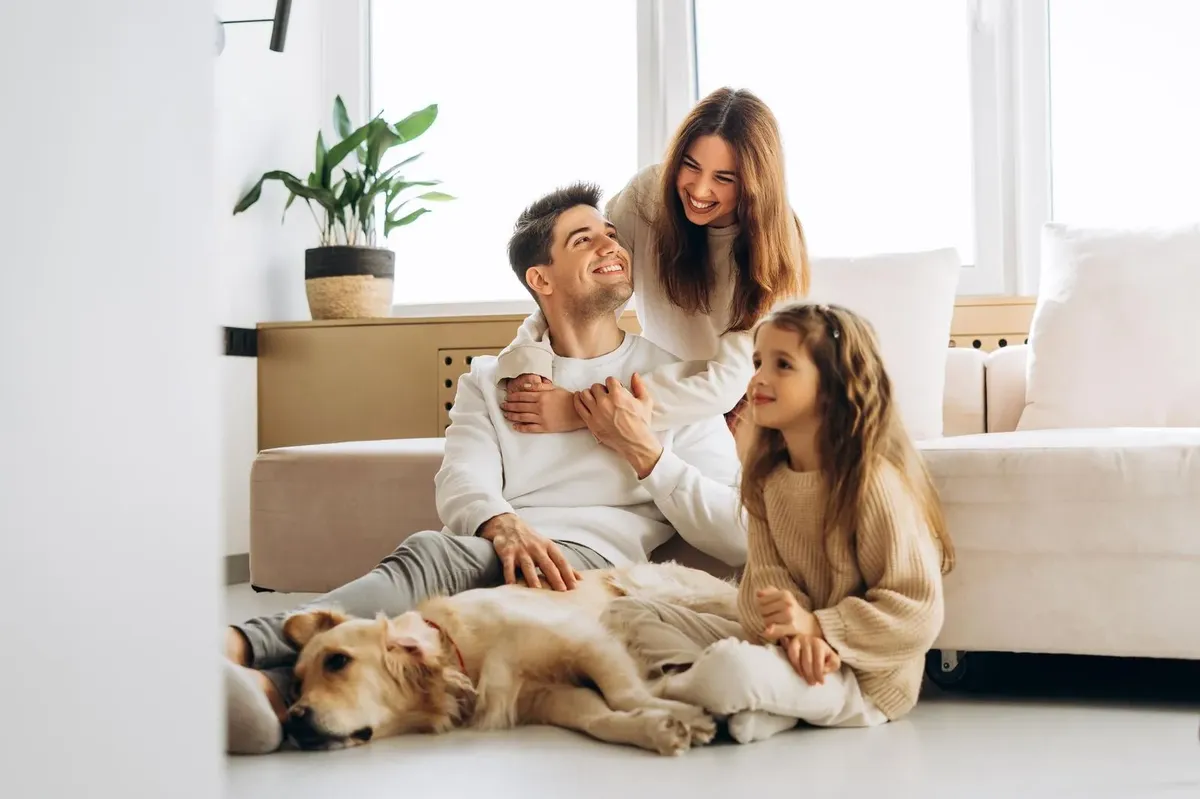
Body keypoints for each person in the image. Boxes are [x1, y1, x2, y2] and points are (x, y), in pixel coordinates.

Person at [222, 182, 747, 755]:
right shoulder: (492, 380)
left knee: (437, 567)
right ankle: (266, 690)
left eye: (612, 236)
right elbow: (461, 478)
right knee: (426, 616)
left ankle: (243, 653)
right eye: (584, 239)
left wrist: (647, 452)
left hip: (591, 566)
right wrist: (502, 524)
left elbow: (734, 532)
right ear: (540, 280)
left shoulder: (676, 382)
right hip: (492, 545)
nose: (612, 246)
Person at [600, 302, 955, 744]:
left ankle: (676, 695)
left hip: (863, 679)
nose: (758, 379)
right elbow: (764, 583)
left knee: (729, 670)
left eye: (782, 365)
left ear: (833, 386)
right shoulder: (769, 478)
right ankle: (755, 705)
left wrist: (818, 628)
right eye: (757, 362)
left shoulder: (874, 484)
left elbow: (916, 611)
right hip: (786, 649)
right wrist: (791, 632)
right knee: (622, 613)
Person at [495, 87, 809, 436]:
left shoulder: (775, 242)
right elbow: (582, 292)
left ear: (755, 184)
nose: (700, 190)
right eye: (690, 166)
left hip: (743, 400)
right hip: (655, 382)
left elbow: (727, 383)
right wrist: (528, 357)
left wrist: (579, 411)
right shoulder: (648, 195)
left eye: (724, 178)